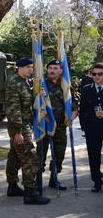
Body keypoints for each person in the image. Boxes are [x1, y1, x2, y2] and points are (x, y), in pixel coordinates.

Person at [5, 57, 50, 204]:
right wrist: (17, 132)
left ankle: (12, 186)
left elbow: (27, 103)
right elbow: (13, 109)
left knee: (15, 156)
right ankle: (30, 193)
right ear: (20, 67)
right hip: (19, 126)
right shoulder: (14, 82)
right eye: (28, 67)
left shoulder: (26, 82)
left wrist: (38, 95)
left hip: (24, 124)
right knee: (30, 158)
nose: (31, 70)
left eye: (32, 67)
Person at [36, 59, 78, 191]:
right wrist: (43, 113)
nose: (52, 71)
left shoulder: (66, 85)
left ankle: (54, 179)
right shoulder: (41, 85)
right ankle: (37, 181)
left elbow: (74, 102)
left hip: (61, 126)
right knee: (40, 154)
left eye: (55, 68)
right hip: (46, 124)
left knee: (59, 153)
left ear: (61, 70)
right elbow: (35, 104)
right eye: (50, 68)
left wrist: (75, 112)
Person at [79, 63, 103, 192]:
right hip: (92, 129)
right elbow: (82, 110)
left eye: (100, 74)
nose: (97, 76)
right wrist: (85, 128)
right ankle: (97, 181)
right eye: (94, 74)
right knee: (93, 156)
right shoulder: (87, 89)